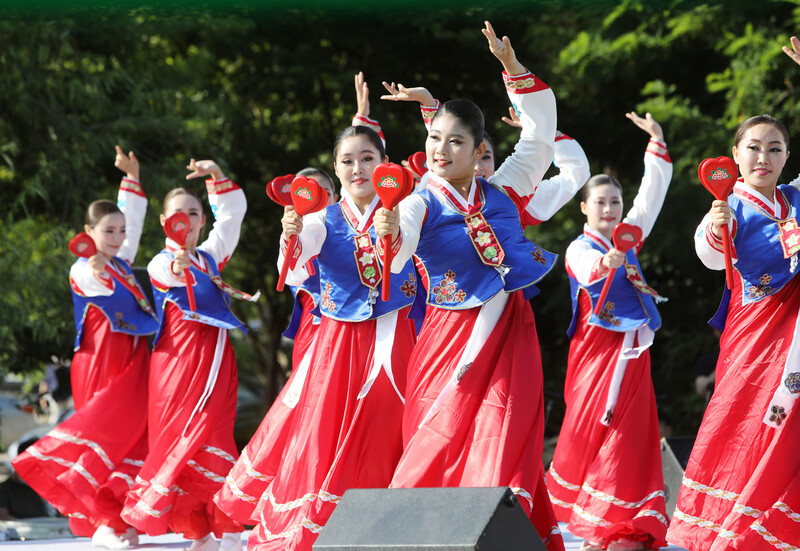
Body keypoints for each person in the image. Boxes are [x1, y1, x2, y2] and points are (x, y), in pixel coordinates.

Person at [375, 22, 564, 551]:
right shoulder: (416, 202)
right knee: (437, 438)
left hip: (508, 333)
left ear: (478, 147)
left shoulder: (504, 186)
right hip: (447, 338)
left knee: (503, 437)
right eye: (434, 138)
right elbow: (398, 254)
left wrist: (515, 72)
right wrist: (390, 234)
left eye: (455, 141)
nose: (440, 149)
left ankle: (493, 539)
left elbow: (541, 137)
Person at [247, 121, 418, 549]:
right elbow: (301, 261)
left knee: (388, 426)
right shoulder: (323, 217)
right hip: (340, 342)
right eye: (347, 161)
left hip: (395, 335)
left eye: (367, 159)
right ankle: (327, 526)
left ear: (384, 164)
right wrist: (292, 235)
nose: (357, 169)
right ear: (335, 169)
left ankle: (390, 526)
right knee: (331, 431)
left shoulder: (407, 209)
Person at [665, 37, 800, 551]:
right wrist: (715, 230)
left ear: (787, 156)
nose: (764, 156)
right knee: (741, 426)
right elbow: (705, 253)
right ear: (736, 156)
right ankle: (732, 530)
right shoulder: (728, 207)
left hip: (796, 338)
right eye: (754, 147)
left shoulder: (795, 198)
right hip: (754, 343)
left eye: (775, 148)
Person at [13, 146, 156, 549]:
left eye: (120, 231)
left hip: (132, 361)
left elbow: (134, 223)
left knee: (132, 438)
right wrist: (95, 264)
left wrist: (131, 180)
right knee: (103, 435)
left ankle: (118, 518)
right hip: (99, 363)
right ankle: (104, 523)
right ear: (88, 232)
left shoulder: (121, 263)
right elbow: (97, 283)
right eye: (108, 232)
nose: (117, 238)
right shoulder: (84, 268)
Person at [545, 112, 672, 551]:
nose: (609, 209)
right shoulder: (580, 247)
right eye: (600, 202)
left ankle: (623, 524)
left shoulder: (627, 237)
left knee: (631, 432)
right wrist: (607, 263)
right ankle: (596, 520)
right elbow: (585, 269)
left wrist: (655, 144)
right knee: (590, 427)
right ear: (583, 208)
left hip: (633, 351)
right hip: (595, 356)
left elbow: (650, 200)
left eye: (615, 203)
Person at [121, 160, 257, 551]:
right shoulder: (163, 262)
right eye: (178, 215)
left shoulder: (211, 257)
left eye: (193, 214)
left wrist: (217, 177)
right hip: (177, 368)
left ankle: (227, 529)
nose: (186, 221)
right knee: (178, 443)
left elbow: (230, 219)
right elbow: (165, 273)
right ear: (164, 221)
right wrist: (178, 265)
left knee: (215, 439)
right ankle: (200, 530)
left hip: (216, 365)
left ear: (200, 221)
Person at [212, 168, 336, 526]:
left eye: (325, 190)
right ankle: (300, 502)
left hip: (360, 340)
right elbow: (291, 273)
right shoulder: (303, 238)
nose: (318, 197)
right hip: (317, 341)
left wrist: (364, 123)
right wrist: (289, 237)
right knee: (308, 420)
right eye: (307, 191)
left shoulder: (350, 227)